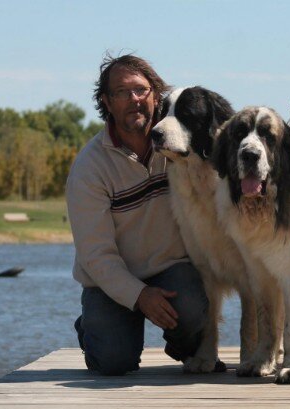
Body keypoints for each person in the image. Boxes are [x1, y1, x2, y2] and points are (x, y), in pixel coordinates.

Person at [67, 54, 210, 376]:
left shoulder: (179, 146)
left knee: (191, 317)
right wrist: (140, 295)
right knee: (114, 362)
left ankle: (182, 343)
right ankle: (91, 326)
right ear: (106, 101)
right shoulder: (90, 167)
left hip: (172, 270)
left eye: (141, 90)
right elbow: (95, 254)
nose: (134, 100)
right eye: (121, 92)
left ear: (156, 95)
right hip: (111, 279)